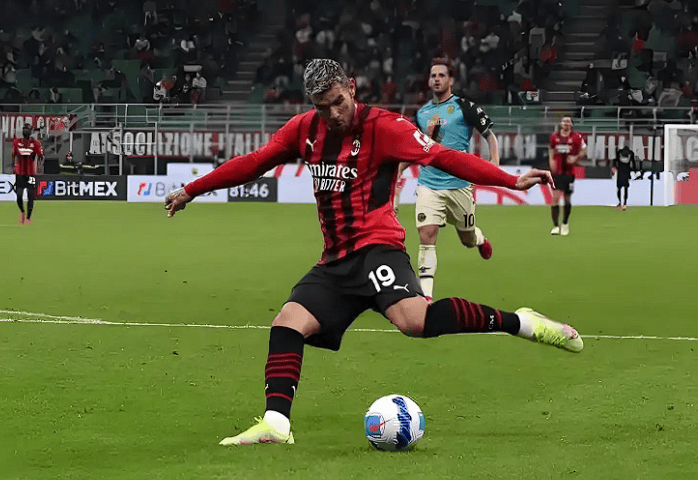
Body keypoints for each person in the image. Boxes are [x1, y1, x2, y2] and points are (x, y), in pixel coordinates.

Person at [164, 59, 584, 446]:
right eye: (322, 107)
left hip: (378, 248)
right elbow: (254, 162)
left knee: (415, 322)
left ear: (351, 87)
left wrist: (508, 180)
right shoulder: (304, 129)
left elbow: (443, 157)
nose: (333, 114)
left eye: (338, 102)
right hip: (336, 260)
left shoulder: (386, 127)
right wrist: (192, 189)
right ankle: (276, 424)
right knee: (287, 324)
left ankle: (522, 323)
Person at [398, 57, 500, 302]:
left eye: (441, 75)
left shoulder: (465, 107)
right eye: (433, 76)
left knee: (466, 238)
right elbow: (416, 148)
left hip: (459, 184)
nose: (436, 80)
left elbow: (489, 135)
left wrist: (494, 164)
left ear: (451, 80)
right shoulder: (422, 113)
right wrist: (399, 169)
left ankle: (478, 239)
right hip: (428, 184)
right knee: (426, 235)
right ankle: (426, 296)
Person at [548, 115, 587, 235]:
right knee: (555, 199)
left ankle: (565, 223)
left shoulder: (577, 136)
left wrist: (576, 157)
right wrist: (551, 163)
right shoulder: (554, 136)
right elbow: (551, 152)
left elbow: (584, 150)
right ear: (561, 123)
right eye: (564, 121)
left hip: (569, 173)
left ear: (571, 124)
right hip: (557, 173)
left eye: (568, 121)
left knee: (567, 199)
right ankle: (555, 226)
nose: (566, 123)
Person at [12, 123, 44, 225]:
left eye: (28, 129)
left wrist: (39, 165)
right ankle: (22, 211)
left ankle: (28, 217)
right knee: (19, 195)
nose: (26, 131)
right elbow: (13, 155)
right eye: (24, 129)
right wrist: (14, 167)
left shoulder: (35, 143)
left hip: (30, 174)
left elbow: (41, 155)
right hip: (20, 173)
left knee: (31, 196)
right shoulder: (17, 142)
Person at [612, 145, 637, 210]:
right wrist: (635, 171)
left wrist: (614, 166)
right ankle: (625, 202)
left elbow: (615, 160)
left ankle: (620, 202)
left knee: (619, 188)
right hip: (626, 172)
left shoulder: (619, 153)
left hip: (620, 172)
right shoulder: (631, 154)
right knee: (626, 188)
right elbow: (633, 163)